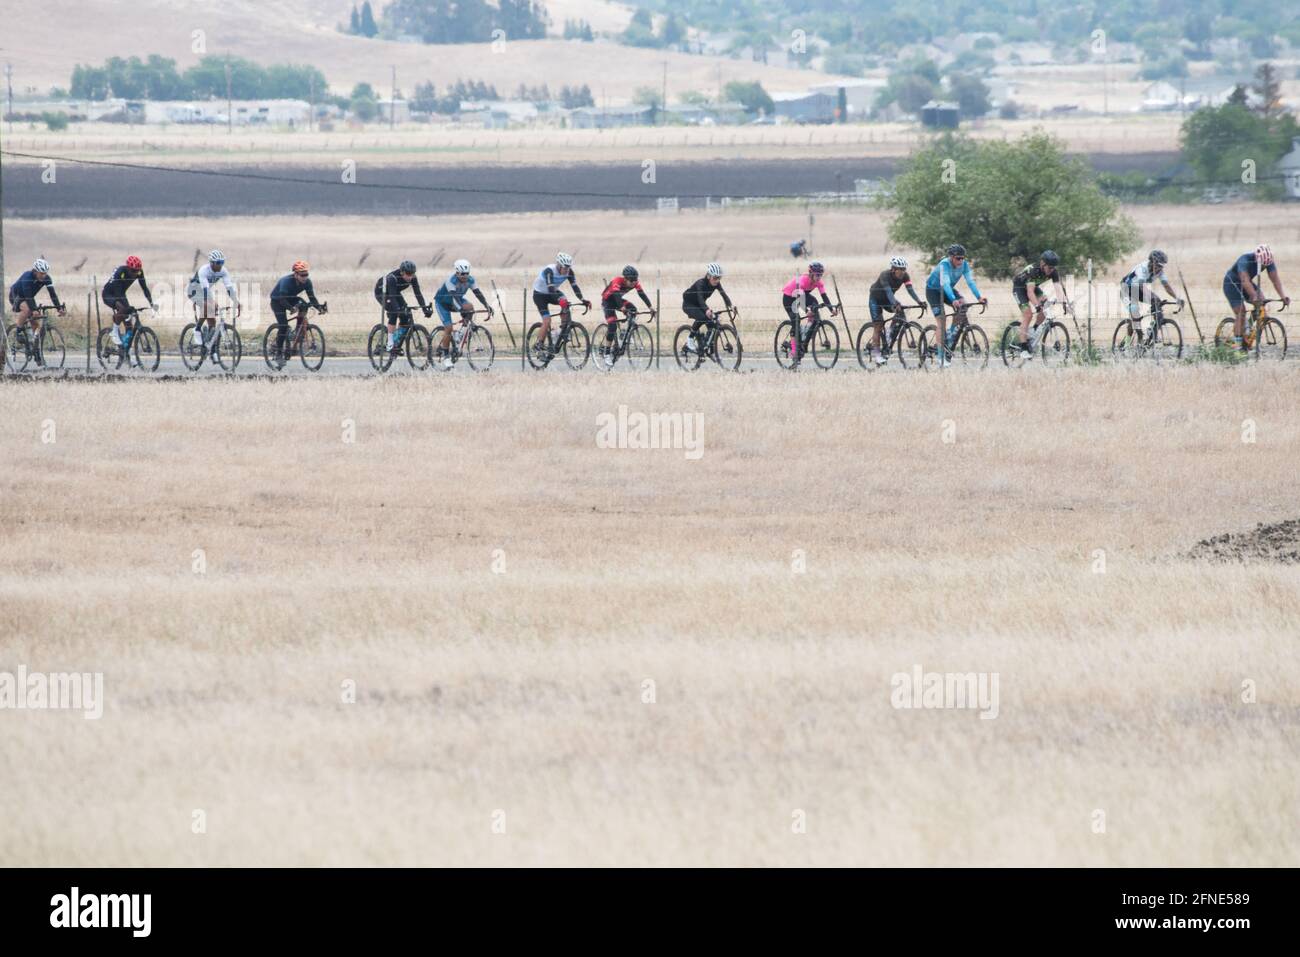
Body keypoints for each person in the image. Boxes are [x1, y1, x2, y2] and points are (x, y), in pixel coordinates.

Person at [925, 244, 986, 368]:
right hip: (934, 291)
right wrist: (953, 299)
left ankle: (951, 334)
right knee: (942, 320)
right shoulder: (944, 265)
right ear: (951, 257)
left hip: (948, 289)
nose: (961, 261)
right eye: (958, 258)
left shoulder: (964, 265)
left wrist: (979, 297)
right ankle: (940, 357)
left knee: (963, 305)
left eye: (963, 258)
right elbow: (946, 283)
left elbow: (970, 281)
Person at [1224, 244, 1290, 351]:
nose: (1264, 267)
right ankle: (1238, 346)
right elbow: (1245, 280)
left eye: (1265, 266)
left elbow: (1275, 280)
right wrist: (1254, 296)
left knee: (1262, 303)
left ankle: (1247, 331)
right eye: (1262, 266)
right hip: (1231, 283)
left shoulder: (1268, 261)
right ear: (1256, 258)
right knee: (1241, 312)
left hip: (1247, 282)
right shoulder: (1244, 260)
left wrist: (1283, 296)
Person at [1010, 250, 1071, 359]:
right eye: (1049, 267)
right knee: (1028, 315)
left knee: (1046, 306)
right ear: (1043, 264)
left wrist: (1064, 303)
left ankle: (1033, 332)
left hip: (1033, 288)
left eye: (1053, 268)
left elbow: (1058, 289)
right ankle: (1023, 348)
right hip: (1020, 288)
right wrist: (1037, 306)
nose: (1051, 270)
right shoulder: (1034, 270)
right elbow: (1029, 292)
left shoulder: (1053, 272)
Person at [433, 259, 492, 369]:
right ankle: (446, 357)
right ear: (456, 272)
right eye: (462, 274)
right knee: (449, 328)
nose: (465, 276)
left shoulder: (470, 280)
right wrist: (461, 309)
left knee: (470, 307)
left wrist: (487, 306)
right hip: (443, 303)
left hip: (457, 300)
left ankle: (460, 334)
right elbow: (454, 298)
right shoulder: (451, 281)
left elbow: (477, 293)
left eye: (467, 274)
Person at [866, 255, 923, 365]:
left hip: (887, 299)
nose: (902, 272)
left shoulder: (905, 276)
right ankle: (877, 355)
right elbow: (888, 291)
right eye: (899, 269)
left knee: (900, 313)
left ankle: (889, 334)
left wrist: (919, 302)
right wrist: (895, 303)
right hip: (875, 299)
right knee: (878, 325)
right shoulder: (885, 275)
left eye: (903, 269)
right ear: (893, 269)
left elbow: (910, 290)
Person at [531, 252, 588, 361]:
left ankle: (561, 331)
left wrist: (583, 300)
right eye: (565, 268)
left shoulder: (569, 272)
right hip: (540, 295)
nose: (566, 270)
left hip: (552, 292)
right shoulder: (549, 271)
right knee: (547, 321)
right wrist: (559, 300)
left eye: (568, 268)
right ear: (559, 265)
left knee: (566, 303)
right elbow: (551, 288)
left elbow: (575, 287)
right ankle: (538, 344)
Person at [8, 258, 65, 365]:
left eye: (45, 273)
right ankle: (18, 331)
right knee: (28, 309)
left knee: (37, 324)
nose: (44, 276)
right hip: (16, 296)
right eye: (41, 273)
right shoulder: (27, 277)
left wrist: (59, 308)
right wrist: (34, 310)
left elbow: (52, 294)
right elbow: (28, 296)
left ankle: (36, 350)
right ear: (35, 271)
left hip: (28, 298)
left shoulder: (47, 278)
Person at [780, 260, 837, 362]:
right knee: (796, 320)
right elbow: (799, 297)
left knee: (815, 307)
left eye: (821, 274)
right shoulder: (803, 280)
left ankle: (805, 338)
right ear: (811, 273)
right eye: (817, 274)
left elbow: (824, 296)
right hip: (789, 297)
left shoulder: (819, 282)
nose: (819, 277)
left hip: (802, 295)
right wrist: (806, 311)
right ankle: (793, 351)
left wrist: (831, 309)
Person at [598, 265, 654, 367]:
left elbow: (642, 294)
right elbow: (616, 295)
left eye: (635, 280)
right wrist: (622, 308)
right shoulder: (617, 281)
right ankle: (606, 353)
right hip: (608, 302)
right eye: (631, 280)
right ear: (625, 278)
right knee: (612, 326)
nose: (633, 282)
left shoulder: (634, 282)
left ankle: (624, 335)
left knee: (633, 310)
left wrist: (650, 307)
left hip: (618, 300)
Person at [269, 261, 326, 361]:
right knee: (283, 325)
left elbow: (312, 298)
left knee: (304, 305)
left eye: (306, 274)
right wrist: (292, 308)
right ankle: (278, 352)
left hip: (291, 298)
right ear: (295, 274)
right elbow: (282, 299)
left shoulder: (307, 282)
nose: (305, 277)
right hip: (278, 301)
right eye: (302, 275)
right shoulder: (286, 281)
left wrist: (319, 308)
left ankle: (298, 333)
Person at [373, 260, 433, 354]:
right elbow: (392, 297)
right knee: (394, 312)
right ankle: (390, 342)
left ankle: (396, 341)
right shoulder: (392, 278)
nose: (410, 277)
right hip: (382, 293)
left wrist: (425, 309)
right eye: (408, 274)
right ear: (402, 272)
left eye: (412, 274)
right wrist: (397, 310)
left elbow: (418, 294)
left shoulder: (413, 278)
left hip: (395, 292)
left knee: (406, 315)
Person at [186, 249, 240, 351]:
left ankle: (210, 348)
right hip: (193, 290)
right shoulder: (203, 270)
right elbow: (205, 289)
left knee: (213, 321)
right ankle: (197, 329)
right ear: (211, 263)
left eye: (222, 262)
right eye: (218, 263)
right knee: (209, 305)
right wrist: (209, 303)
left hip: (205, 291)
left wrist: (236, 302)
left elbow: (229, 288)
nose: (220, 265)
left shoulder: (223, 271)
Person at [101, 255, 157, 353]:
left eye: (137, 271)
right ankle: (114, 332)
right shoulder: (120, 272)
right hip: (109, 294)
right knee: (122, 309)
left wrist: (152, 304)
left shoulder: (139, 272)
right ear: (128, 268)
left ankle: (125, 353)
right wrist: (127, 308)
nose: (135, 274)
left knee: (129, 327)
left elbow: (144, 288)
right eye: (133, 271)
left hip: (121, 294)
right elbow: (118, 293)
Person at [1119, 250, 1181, 336]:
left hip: (1138, 290)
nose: (1160, 268)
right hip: (1126, 290)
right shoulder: (1142, 268)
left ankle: (1152, 331)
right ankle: (1127, 343)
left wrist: (1177, 299)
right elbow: (1141, 286)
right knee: (1135, 315)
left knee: (1157, 302)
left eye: (1162, 266)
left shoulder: (1160, 272)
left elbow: (1167, 286)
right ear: (1152, 262)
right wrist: (1151, 296)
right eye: (1158, 265)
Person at [681, 263, 732, 353]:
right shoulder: (700, 283)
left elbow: (723, 294)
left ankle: (705, 346)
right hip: (689, 304)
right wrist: (707, 310)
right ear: (708, 276)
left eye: (719, 278)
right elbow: (700, 298)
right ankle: (690, 339)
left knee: (712, 323)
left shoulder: (716, 284)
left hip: (699, 305)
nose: (717, 280)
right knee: (702, 317)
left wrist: (731, 306)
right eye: (715, 278)